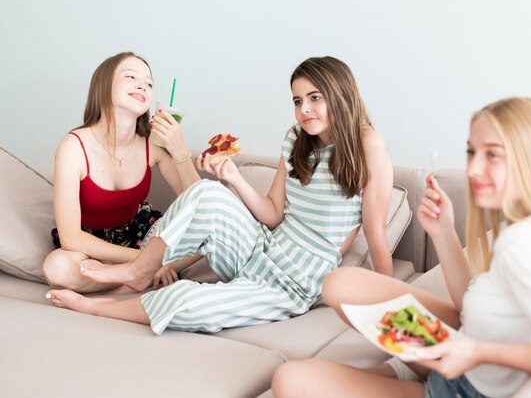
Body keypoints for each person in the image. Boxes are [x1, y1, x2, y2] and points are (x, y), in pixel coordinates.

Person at [271, 97, 531, 398]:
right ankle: (402, 372)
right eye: (472, 152)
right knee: (341, 283)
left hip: (462, 386)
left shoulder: (528, 246)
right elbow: (474, 306)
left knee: (291, 380)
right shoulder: (524, 225)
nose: (474, 168)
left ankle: (402, 376)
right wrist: (444, 234)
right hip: (456, 355)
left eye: (492, 155)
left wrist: (476, 351)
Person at [45, 56, 395, 335]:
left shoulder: (368, 144)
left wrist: (394, 302)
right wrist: (235, 179)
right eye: (298, 100)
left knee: (191, 301)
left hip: (297, 278)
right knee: (207, 191)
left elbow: (375, 231)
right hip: (262, 248)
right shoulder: (294, 139)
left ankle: (95, 307)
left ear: (341, 93)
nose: (304, 109)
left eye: (315, 98)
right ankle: (140, 269)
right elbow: (273, 214)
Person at [43, 52, 201, 294]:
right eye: (131, 77)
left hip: (140, 234)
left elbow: (199, 203)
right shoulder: (73, 146)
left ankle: (129, 279)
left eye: (149, 83)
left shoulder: (153, 146)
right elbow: (71, 238)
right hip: (91, 247)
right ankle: (143, 277)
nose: (142, 85)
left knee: (207, 242)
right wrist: (145, 261)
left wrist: (178, 147)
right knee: (57, 268)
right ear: (104, 85)